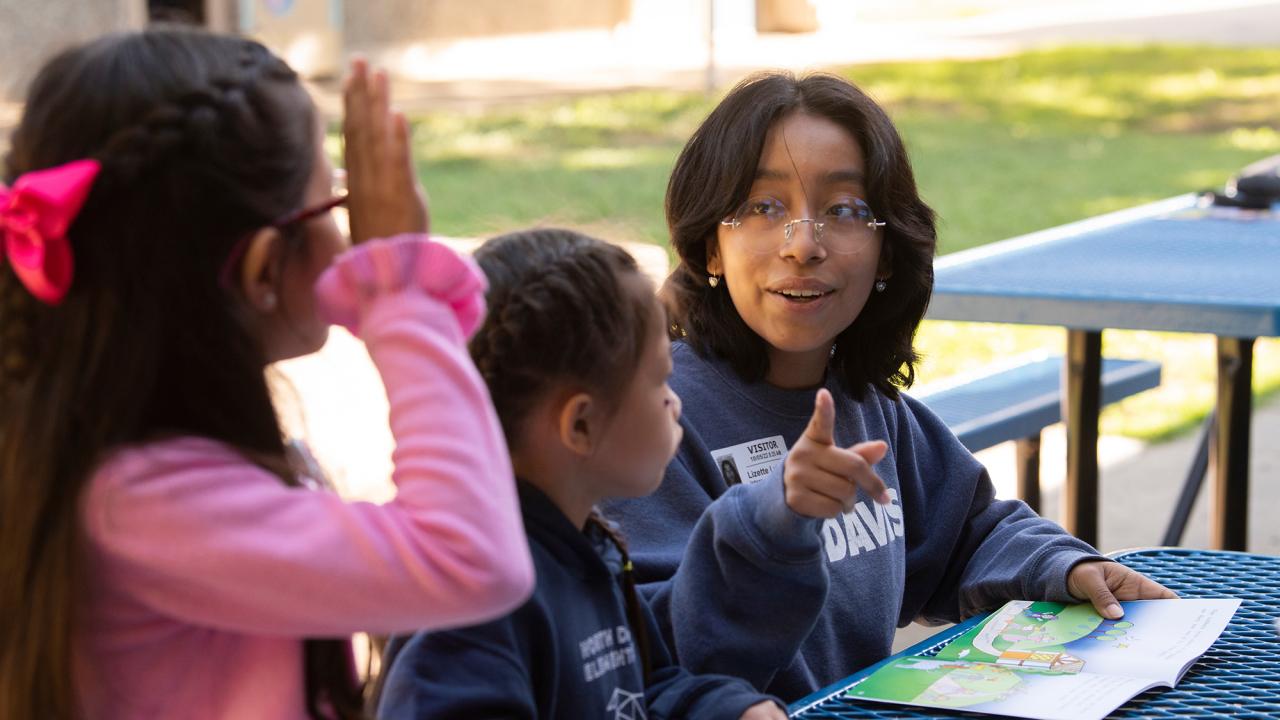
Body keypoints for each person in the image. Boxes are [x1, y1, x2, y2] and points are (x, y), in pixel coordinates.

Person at [0, 27, 533, 719]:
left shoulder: (124, 466)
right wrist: (401, 292)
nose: (350, 233)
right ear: (261, 271)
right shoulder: (144, 505)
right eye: (334, 204)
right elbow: (472, 558)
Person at [601, 71, 1176, 702]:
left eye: (844, 211)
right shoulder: (656, 418)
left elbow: (969, 533)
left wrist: (1066, 567)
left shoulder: (871, 409)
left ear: (888, 254)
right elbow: (639, 652)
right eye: (764, 207)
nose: (804, 245)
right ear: (711, 245)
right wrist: (771, 525)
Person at [375, 229, 786, 720]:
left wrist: (732, 710)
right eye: (658, 380)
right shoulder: (473, 607)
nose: (673, 401)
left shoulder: (588, 546)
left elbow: (645, 690)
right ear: (581, 424)